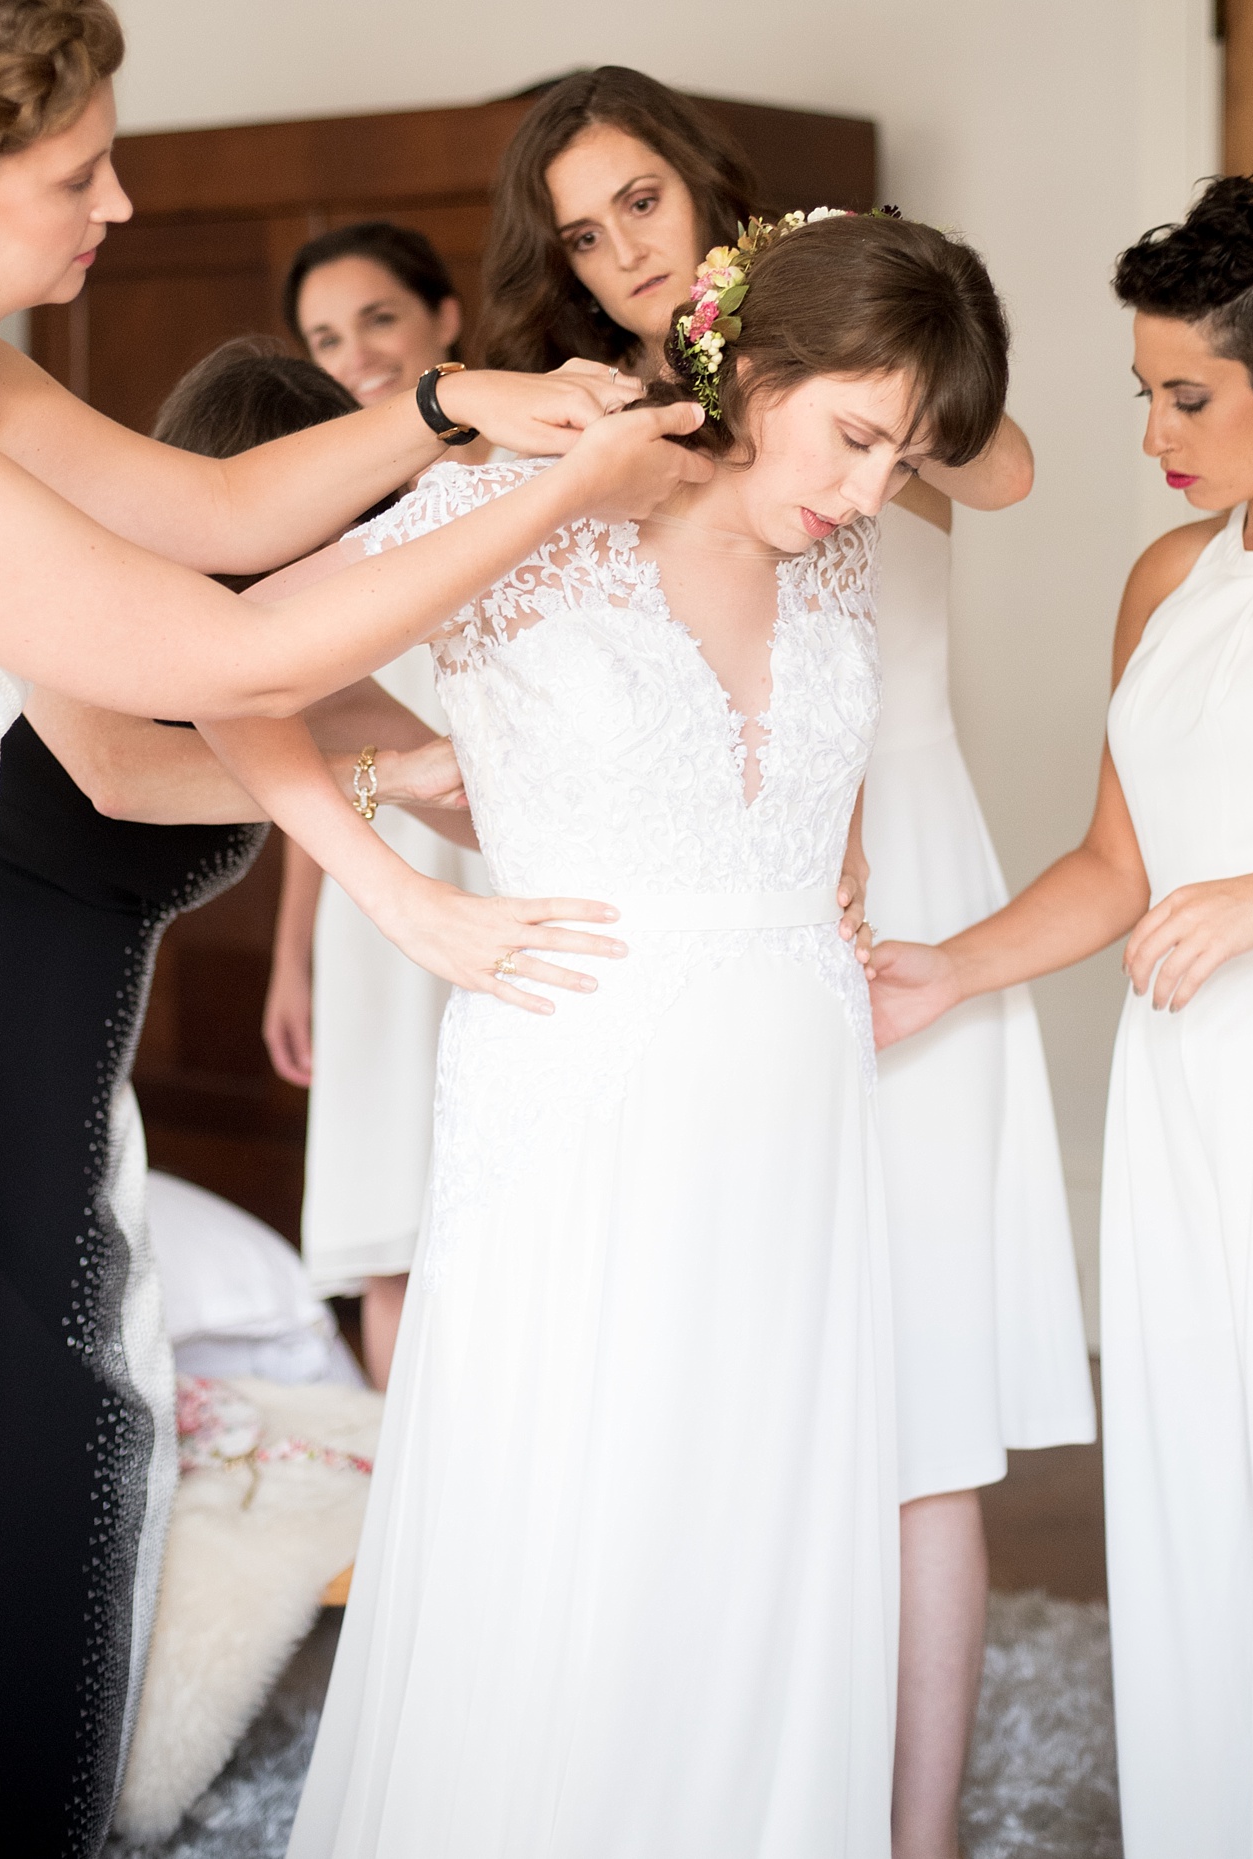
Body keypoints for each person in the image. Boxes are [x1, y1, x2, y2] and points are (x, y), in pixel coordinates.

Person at [0, 0, 702, 1856]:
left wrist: (457, 406)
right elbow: (223, 634)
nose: (121, 204)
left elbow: (200, 512)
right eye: (80, 174)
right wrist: (573, 483)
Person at [205, 207, 1015, 1859]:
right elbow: (226, 665)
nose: (871, 490)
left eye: (904, 455)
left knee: (764, 1515)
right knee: (585, 1512)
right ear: (762, 365)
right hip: (580, 1079)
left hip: (794, 1094)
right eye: (858, 437)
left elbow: (803, 776)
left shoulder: (833, 548)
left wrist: (829, 899)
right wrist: (397, 890)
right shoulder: (536, 493)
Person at [478, 66, 1092, 1859]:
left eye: (641, 209)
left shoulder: (848, 333)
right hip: (730, 889)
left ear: (707, 190)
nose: (617, 259)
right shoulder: (628, 425)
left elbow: (1016, 466)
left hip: (905, 848)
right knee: (744, 1370)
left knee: (923, 1381)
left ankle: (915, 1831)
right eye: (581, 238)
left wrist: (852, 315)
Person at [868, 177, 1253, 1859]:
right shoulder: (1164, 579)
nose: (1155, 434)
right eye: (1144, 392)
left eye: (1187, 396)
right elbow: (1118, 862)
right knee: (1194, 1497)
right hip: (1185, 1087)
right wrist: (950, 964)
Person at [0, 338, 468, 1859]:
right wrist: (383, 781)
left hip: (57, 1094)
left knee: (57, 1436)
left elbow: (485, 778)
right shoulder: (78, 593)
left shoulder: (303, 666)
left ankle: (7, 1797)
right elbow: (112, 768)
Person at [268, 224, 490, 1387]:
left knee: (487, 1199)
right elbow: (314, 737)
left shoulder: (519, 493)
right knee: (385, 1209)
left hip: (494, 872)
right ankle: (393, 1519)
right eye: (322, 337)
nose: (351, 354)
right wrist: (293, 952)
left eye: (377, 320)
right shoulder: (315, 514)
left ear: (446, 321)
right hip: (367, 884)